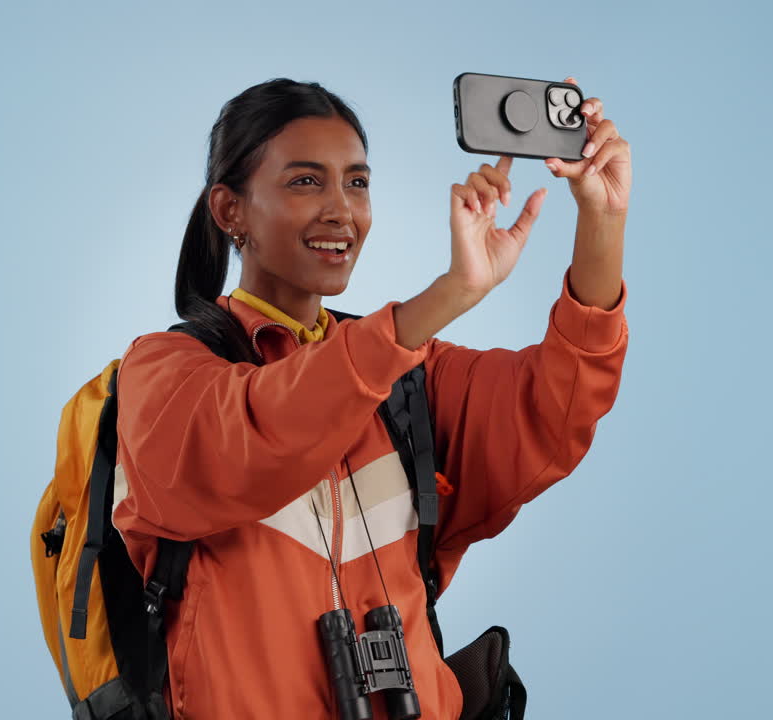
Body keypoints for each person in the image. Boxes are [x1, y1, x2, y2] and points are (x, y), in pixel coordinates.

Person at [111, 77, 631, 719]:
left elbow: (555, 407)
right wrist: (447, 296)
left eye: (356, 182)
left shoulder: (409, 378)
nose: (342, 210)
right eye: (306, 181)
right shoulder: (164, 372)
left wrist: (602, 221)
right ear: (230, 210)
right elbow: (260, 435)